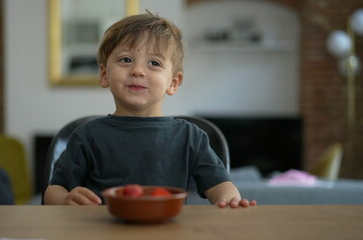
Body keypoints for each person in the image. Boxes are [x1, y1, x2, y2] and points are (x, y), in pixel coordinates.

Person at [44, 12, 256, 208]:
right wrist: (65, 200)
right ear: (104, 74)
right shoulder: (87, 135)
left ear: (173, 82)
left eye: (154, 63)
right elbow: (53, 190)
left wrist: (230, 201)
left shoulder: (191, 137)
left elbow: (220, 185)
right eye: (125, 60)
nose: (137, 70)